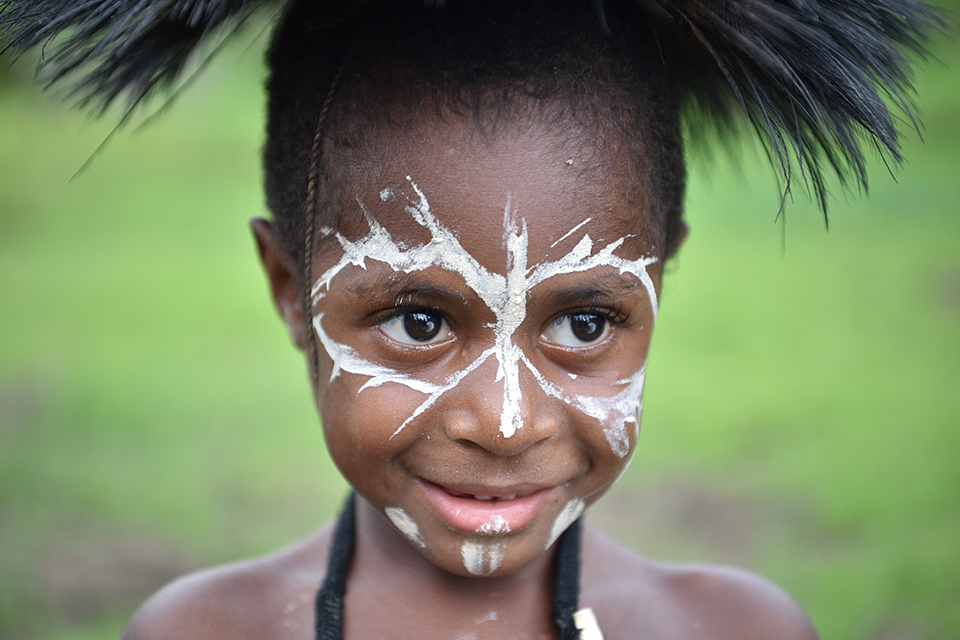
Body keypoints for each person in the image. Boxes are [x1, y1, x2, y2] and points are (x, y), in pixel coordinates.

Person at [1, 1, 941, 638]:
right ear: (291, 288)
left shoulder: (733, 631)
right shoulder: (199, 634)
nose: (503, 422)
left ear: (661, 285)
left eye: (583, 324)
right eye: (418, 322)